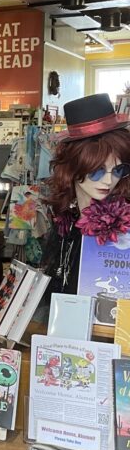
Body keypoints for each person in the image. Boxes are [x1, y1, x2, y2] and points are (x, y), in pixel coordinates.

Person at [38, 93, 130, 317]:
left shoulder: (122, 227)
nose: (109, 181)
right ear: (72, 169)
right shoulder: (66, 221)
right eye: (97, 171)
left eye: (118, 170)